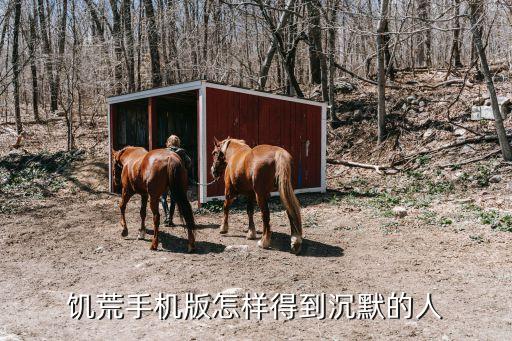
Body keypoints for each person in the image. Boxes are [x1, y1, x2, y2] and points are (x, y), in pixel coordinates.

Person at [161, 135, 193, 227]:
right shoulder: (182, 152)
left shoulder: (164, 152)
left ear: (168, 142)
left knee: (163, 197)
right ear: (178, 143)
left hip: (164, 178)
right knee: (173, 198)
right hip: (176, 179)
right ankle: (170, 218)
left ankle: (166, 216)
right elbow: (189, 162)